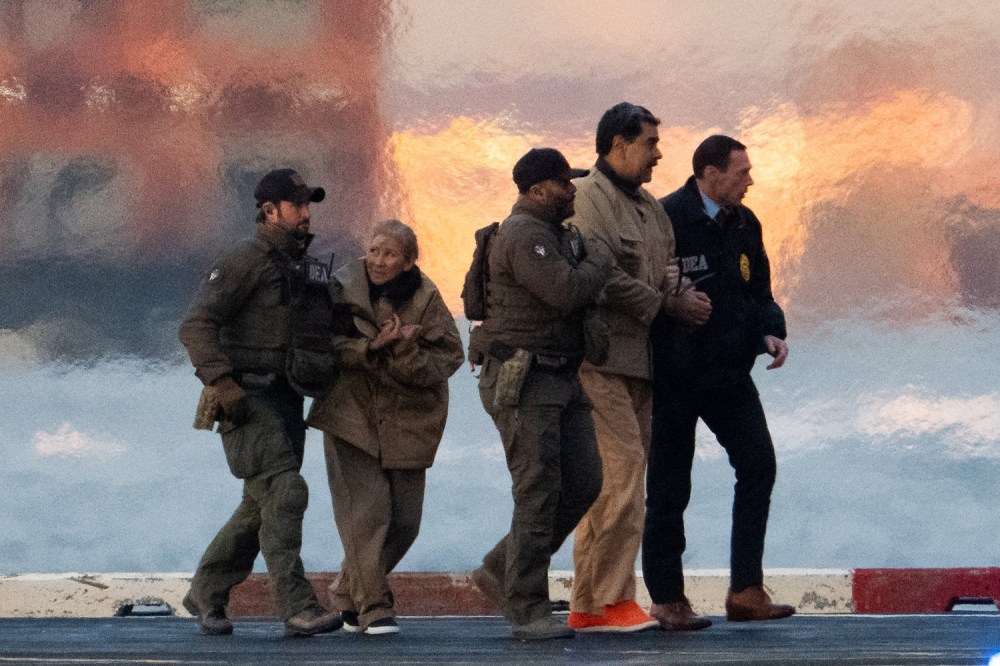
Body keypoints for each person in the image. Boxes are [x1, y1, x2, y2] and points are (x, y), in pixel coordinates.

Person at [178, 168, 344, 638]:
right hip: (247, 398)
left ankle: (207, 589)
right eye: (297, 205)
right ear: (270, 211)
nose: (306, 214)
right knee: (287, 492)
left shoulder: (302, 267)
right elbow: (196, 325)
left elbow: (329, 327)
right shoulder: (244, 261)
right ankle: (297, 606)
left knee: (261, 505)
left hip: (288, 399)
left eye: (309, 205)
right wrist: (222, 383)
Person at [643, 135, 795, 630]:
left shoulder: (745, 222)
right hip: (675, 374)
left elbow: (759, 290)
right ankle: (667, 598)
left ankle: (746, 590)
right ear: (709, 174)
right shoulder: (665, 218)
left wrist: (771, 330)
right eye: (741, 172)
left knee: (759, 464)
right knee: (669, 486)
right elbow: (641, 290)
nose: (750, 180)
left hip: (728, 372)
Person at [471, 147, 612, 641]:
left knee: (584, 482)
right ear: (535, 190)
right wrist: (600, 260)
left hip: (560, 375)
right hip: (525, 378)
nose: (571, 190)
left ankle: (501, 569)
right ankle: (527, 607)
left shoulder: (556, 235)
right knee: (538, 490)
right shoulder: (525, 234)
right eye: (562, 183)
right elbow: (565, 291)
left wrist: (589, 262)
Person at [564, 102, 693, 632]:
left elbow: (668, 268)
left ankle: (587, 606)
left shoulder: (651, 209)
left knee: (612, 483)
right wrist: (665, 304)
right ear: (618, 145)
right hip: (598, 361)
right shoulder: (586, 198)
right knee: (623, 476)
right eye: (650, 144)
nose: (658, 154)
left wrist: (679, 292)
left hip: (641, 363)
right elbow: (601, 275)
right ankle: (615, 599)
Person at [307, 219, 464, 635]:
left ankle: (347, 593)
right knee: (368, 515)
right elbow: (320, 345)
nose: (378, 260)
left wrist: (406, 350)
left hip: (407, 420)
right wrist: (370, 347)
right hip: (350, 413)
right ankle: (373, 607)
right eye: (374, 250)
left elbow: (450, 356)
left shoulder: (426, 297)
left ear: (409, 261)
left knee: (406, 523)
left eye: (390, 254)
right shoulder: (340, 289)